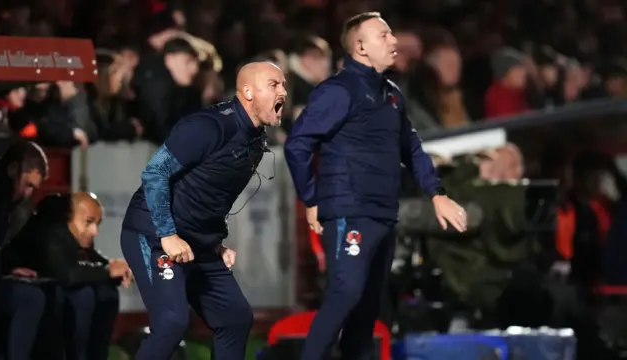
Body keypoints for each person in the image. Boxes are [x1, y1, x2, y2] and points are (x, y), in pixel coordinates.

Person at [283, 12, 467, 360]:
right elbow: (298, 143)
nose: (393, 41)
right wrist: (311, 198)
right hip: (349, 211)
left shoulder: (392, 94)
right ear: (361, 47)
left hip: (384, 213)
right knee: (345, 294)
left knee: (368, 309)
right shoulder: (338, 91)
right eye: (384, 36)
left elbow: (411, 147)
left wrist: (437, 194)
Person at [120, 61, 287, 360]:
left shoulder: (254, 137)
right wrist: (168, 235)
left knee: (234, 318)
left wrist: (215, 241)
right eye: (274, 85)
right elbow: (155, 174)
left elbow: (210, 193)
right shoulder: (208, 126)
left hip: (198, 243)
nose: (283, 91)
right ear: (247, 92)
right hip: (154, 235)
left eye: (284, 84)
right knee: (172, 322)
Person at [34, 193, 131, 360]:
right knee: (83, 295)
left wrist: (117, 267)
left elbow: (96, 260)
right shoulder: (52, 234)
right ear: (68, 218)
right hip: (43, 293)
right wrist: (108, 271)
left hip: (67, 292)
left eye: (97, 224)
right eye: (88, 222)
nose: (94, 232)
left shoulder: (80, 238)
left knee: (107, 292)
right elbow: (67, 273)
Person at [0, 140, 48, 360]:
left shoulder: (3, 200)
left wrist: (5, 268)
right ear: (13, 170)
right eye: (28, 185)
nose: (27, 194)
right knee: (30, 298)